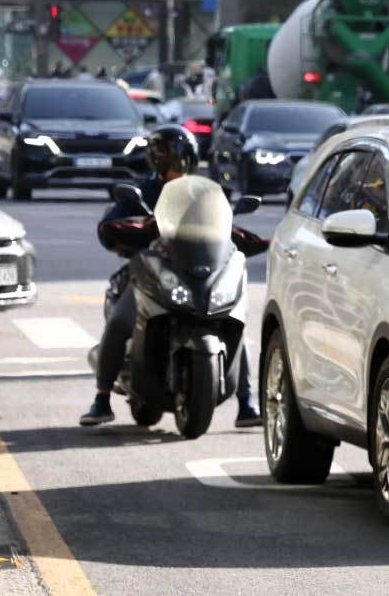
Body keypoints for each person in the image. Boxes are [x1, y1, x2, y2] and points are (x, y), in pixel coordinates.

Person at [80, 126, 262, 428]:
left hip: (199, 270)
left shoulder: (206, 192)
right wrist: (126, 227)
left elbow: (223, 223)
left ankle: (246, 402)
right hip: (154, 270)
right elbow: (111, 223)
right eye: (169, 159)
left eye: (181, 159)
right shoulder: (143, 190)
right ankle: (101, 398)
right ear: (157, 161)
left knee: (231, 318)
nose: (176, 165)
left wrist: (242, 235)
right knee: (121, 320)